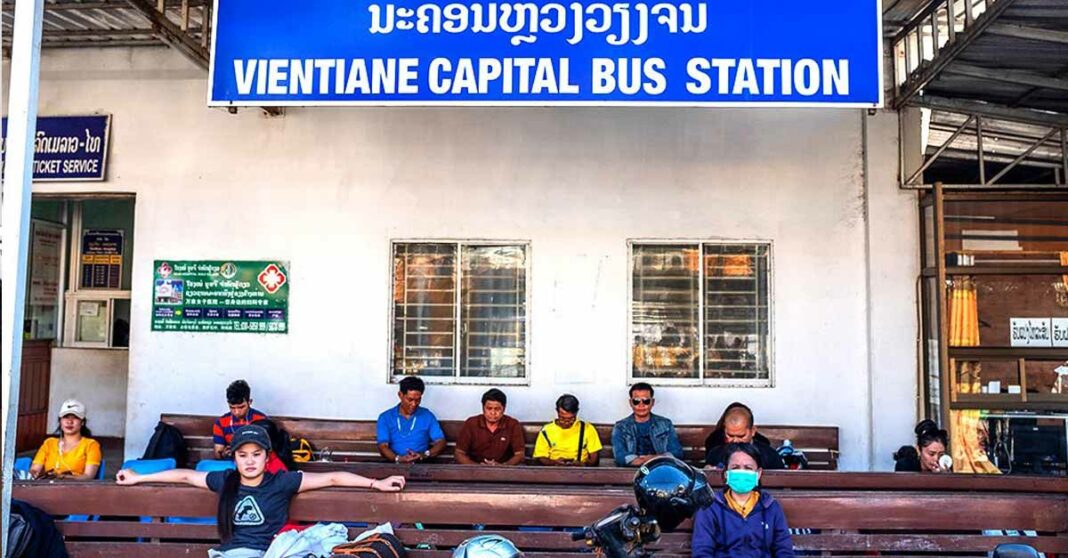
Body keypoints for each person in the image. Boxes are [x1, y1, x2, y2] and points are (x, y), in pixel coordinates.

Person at [116, 424, 406, 557]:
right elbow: (185, 476)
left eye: (257, 454)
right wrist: (136, 477)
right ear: (235, 458)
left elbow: (332, 478)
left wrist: (375, 484)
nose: (250, 460)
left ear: (268, 458)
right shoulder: (226, 481)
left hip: (269, 552)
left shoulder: (281, 482)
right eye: (243, 455)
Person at [691, 443, 795, 558]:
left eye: (748, 468)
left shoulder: (771, 507)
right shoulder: (710, 508)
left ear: (758, 473)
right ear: (726, 473)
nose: (741, 472)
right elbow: (702, 552)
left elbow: (784, 551)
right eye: (735, 468)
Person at [611, 382, 684, 467]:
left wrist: (653, 459)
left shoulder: (665, 424)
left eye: (646, 401)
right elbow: (620, 456)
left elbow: (676, 452)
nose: (641, 405)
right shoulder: (620, 427)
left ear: (652, 402)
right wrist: (645, 460)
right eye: (636, 401)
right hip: (631, 470)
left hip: (660, 469)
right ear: (631, 403)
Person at [377, 376, 446, 463]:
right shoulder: (386, 417)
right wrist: (399, 459)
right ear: (400, 395)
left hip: (421, 464)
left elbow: (441, 442)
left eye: (418, 400)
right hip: (394, 464)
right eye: (410, 399)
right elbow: (383, 446)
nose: (414, 404)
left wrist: (423, 455)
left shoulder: (427, 415)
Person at [30, 399, 101, 480]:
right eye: (66, 417)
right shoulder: (49, 443)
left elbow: (88, 476)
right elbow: (35, 470)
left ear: (82, 422)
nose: (69, 421)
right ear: (60, 421)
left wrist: (63, 477)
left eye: (75, 418)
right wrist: (34, 474)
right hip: (48, 488)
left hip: (75, 489)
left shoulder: (91, 445)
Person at [455, 388, 526, 466]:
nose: (493, 412)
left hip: (504, 471)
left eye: (497, 409)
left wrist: (503, 466)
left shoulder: (513, 424)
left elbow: (520, 454)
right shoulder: (471, 423)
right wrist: (477, 467)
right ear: (483, 408)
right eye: (489, 408)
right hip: (474, 470)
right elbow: (459, 453)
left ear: (504, 408)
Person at [703, 402, 784, 470]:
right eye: (730, 435)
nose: (735, 440)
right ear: (724, 430)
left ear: (752, 431)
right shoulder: (715, 454)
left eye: (741, 436)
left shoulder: (770, 456)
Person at [533, 394, 602, 467]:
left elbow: (594, 460)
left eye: (571, 419)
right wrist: (554, 462)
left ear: (576, 412)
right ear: (557, 412)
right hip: (554, 470)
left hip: (580, 473)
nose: (566, 422)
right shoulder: (546, 431)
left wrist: (583, 464)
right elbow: (540, 457)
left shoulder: (587, 429)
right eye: (562, 418)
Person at [213, 380, 268, 459]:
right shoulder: (221, 422)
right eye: (232, 407)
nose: (237, 412)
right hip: (230, 463)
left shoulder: (261, 420)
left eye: (241, 407)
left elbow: (267, 451)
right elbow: (218, 454)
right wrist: (224, 454)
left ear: (250, 402)